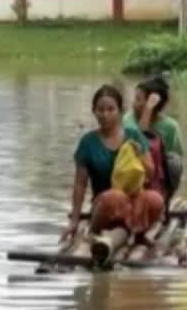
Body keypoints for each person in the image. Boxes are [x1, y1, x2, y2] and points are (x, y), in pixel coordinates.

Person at [64, 85, 164, 245]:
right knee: (115, 197)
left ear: (120, 111)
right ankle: (95, 231)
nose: (105, 115)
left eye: (111, 109)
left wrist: (139, 155)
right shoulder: (87, 142)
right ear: (94, 111)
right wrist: (74, 220)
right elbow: (80, 185)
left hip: (134, 202)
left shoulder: (134, 135)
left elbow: (151, 174)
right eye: (100, 110)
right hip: (105, 205)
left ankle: (139, 234)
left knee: (156, 200)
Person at [124, 76, 184, 200]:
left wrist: (149, 108)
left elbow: (176, 156)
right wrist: (147, 111)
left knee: (175, 162)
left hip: (158, 174)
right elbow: (139, 141)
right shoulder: (129, 119)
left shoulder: (170, 127)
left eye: (138, 99)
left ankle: (163, 199)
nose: (133, 103)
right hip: (134, 168)